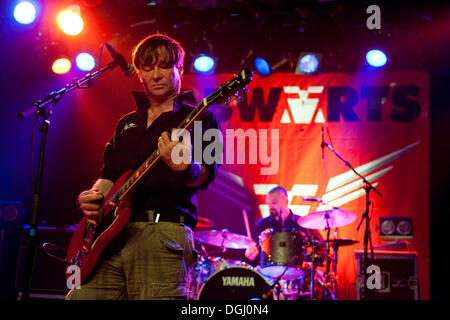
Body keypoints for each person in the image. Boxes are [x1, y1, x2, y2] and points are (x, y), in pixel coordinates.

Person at [66, 34, 220, 300]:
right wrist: (92, 198)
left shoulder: (202, 118)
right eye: (148, 68)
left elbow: (206, 175)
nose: (156, 75)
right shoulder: (125, 124)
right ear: (139, 74)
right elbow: (109, 175)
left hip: (161, 233)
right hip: (110, 237)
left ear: (179, 69)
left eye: (164, 66)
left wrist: (185, 168)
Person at [245, 186, 324, 263]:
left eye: (274, 203)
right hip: (267, 274)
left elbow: (322, 249)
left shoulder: (304, 223)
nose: (270, 206)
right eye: (268, 203)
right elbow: (251, 259)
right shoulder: (261, 225)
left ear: (286, 201)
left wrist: (310, 257)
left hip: (298, 273)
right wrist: (251, 256)